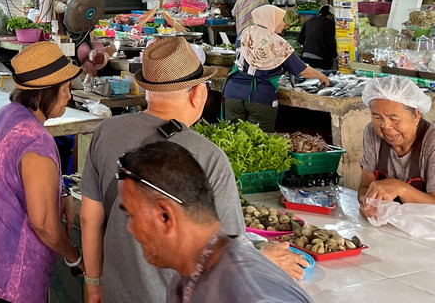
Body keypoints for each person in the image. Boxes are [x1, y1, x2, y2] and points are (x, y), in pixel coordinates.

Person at [80, 36, 305, 303]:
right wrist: (265, 257)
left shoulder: (107, 132)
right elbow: (229, 255)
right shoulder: (209, 156)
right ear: (199, 93)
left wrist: (93, 285)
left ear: (145, 90)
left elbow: (88, 219)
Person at [0, 42, 82, 303]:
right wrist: (74, 256)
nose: (70, 96)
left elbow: (14, 175)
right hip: (5, 280)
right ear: (43, 93)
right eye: (65, 89)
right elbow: (44, 224)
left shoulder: (6, 115)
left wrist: (62, 190)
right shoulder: (37, 141)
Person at [119, 141, 313, 303]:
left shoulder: (251, 293)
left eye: (132, 216)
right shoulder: (187, 276)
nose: (129, 229)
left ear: (165, 216)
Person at [223, 5, 330, 132]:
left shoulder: (244, 33)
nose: (284, 24)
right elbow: (301, 70)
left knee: (233, 139)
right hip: (260, 97)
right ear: (270, 20)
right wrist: (321, 76)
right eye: (281, 20)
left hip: (232, 93)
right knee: (259, 143)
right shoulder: (278, 43)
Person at [358, 75, 435, 217]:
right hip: (392, 226)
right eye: (377, 117)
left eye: (393, 118)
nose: (385, 126)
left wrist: (401, 188)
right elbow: (365, 186)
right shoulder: (372, 132)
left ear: (416, 116)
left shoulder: (432, 142)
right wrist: (366, 203)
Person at [297, 5, 337, 71]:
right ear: (331, 16)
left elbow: (300, 40)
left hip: (305, 57)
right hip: (320, 59)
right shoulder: (330, 24)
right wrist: (336, 55)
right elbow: (330, 42)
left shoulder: (308, 21)